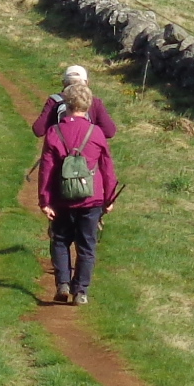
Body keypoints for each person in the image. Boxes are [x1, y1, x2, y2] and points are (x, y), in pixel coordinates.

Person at [37, 84, 117, 305]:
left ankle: (62, 283)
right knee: (87, 246)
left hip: (61, 198)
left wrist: (45, 200)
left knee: (60, 241)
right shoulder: (97, 133)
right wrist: (108, 198)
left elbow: (46, 168)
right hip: (91, 200)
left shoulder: (55, 132)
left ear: (66, 104)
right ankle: (80, 291)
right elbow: (107, 168)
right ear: (88, 105)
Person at [31, 64, 116, 141]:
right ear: (86, 83)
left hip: (59, 150)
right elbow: (109, 132)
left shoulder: (54, 101)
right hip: (86, 152)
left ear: (64, 83)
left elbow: (38, 130)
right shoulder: (94, 102)